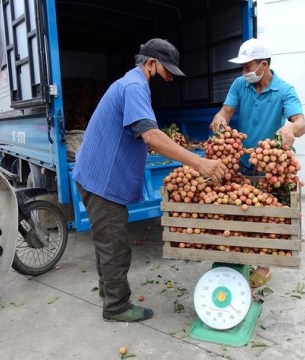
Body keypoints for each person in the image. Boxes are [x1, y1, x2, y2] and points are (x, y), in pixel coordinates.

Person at [73, 38, 227, 323]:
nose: (169, 79)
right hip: (101, 181)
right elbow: (152, 136)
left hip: (94, 175)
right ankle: (116, 307)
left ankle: (108, 292)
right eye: (167, 72)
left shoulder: (131, 84)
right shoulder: (133, 86)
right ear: (151, 64)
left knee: (107, 243)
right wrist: (199, 162)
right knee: (115, 247)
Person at [210, 37, 305, 288]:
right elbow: (226, 111)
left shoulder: (285, 90)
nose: (243, 72)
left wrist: (290, 127)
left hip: (269, 164)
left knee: (267, 215)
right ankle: (241, 255)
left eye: (247, 66)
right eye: (242, 67)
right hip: (241, 159)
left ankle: (263, 267)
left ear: (263, 65)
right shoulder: (239, 85)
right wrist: (220, 118)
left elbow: (301, 123)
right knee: (244, 211)